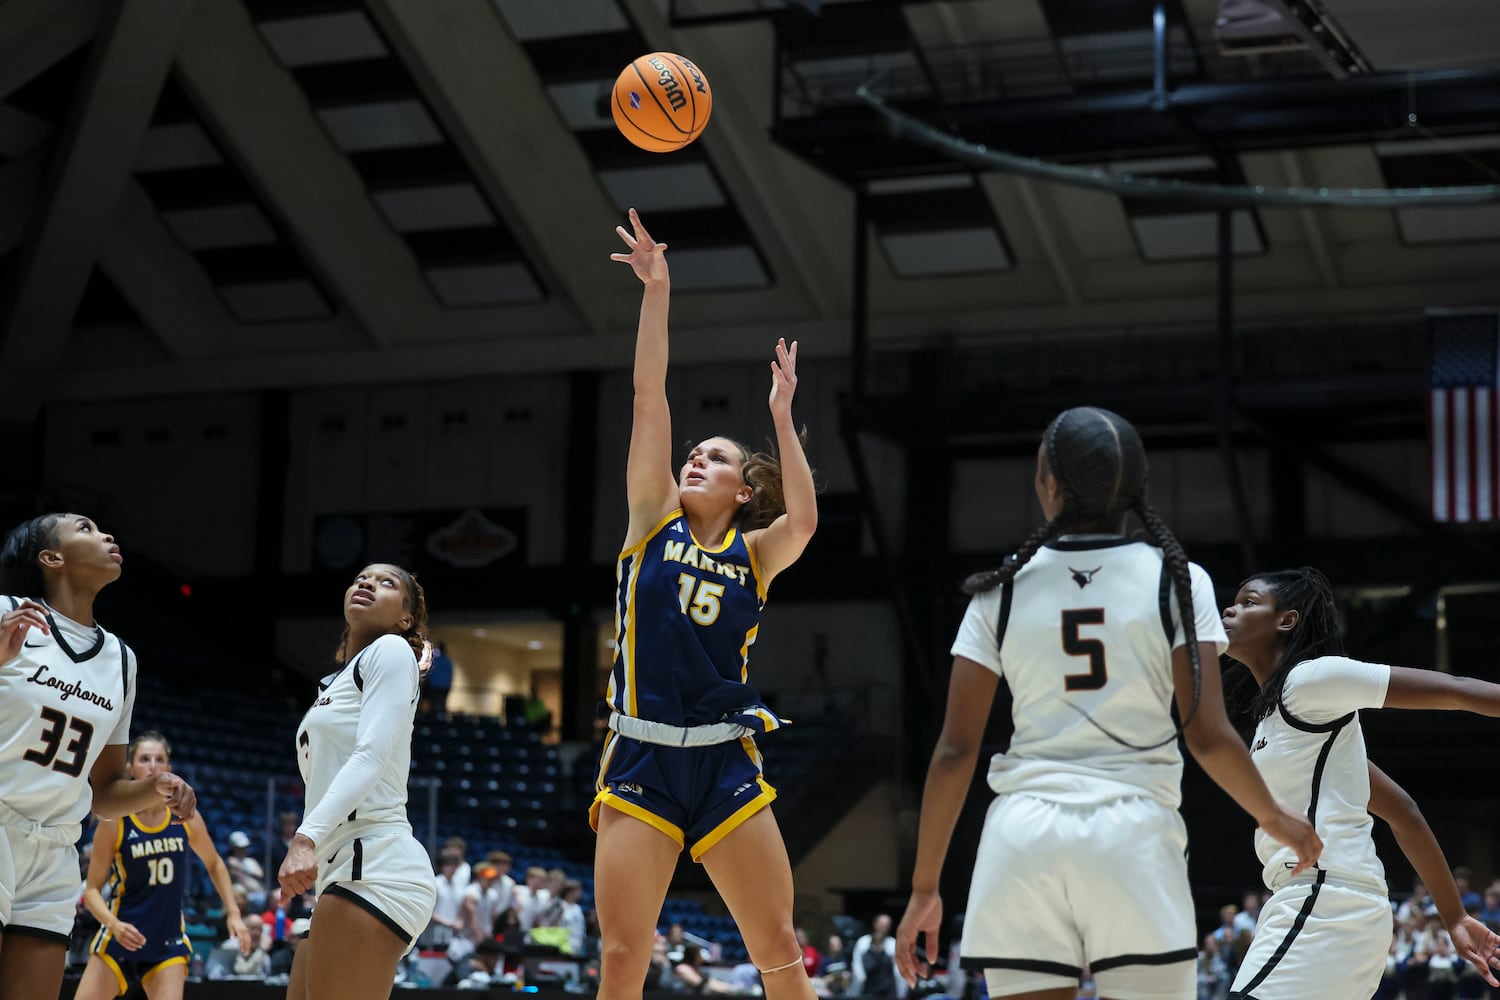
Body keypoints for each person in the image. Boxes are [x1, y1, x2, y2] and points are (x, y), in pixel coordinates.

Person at [891, 408, 1321, 1000]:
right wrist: (1273, 818)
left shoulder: (999, 589)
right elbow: (1207, 735)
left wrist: (923, 888)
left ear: (1046, 484)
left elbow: (956, 750)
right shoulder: (1178, 578)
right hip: (1133, 836)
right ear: (1135, 489)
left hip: (1021, 840)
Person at [590, 209, 819, 1000]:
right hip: (643, 756)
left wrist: (782, 421)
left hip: (724, 757)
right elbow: (648, 395)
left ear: (743, 488)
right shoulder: (650, 519)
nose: (695, 455)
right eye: (696, 451)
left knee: (779, 948)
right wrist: (657, 293)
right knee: (622, 958)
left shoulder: (754, 554)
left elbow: (808, 521)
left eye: (714, 456)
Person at [1220, 566, 1500, 999]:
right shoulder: (1283, 719)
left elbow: (1453, 690)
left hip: (1325, 901)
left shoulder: (1309, 680)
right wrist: (1455, 918)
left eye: (1248, 602)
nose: (1230, 609)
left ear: (1286, 620)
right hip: (1332, 905)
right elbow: (1402, 810)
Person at [0, 513, 197, 1000]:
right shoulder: (5, 612)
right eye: (85, 528)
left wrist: (156, 787)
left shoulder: (122, 661)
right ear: (52, 558)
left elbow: (104, 795)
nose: (108, 534)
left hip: (55, 853)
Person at [279, 563, 439, 1000]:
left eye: (387, 583)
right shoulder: (332, 685)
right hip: (342, 869)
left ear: (405, 619)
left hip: (375, 864)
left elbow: (371, 757)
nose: (367, 583)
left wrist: (305, 838)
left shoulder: (390, 649)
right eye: (361, 578)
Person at [76, 732, 252, 1000]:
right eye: (145, 759)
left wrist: (233, 913)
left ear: (169, 769)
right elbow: (91, 892)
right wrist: (113, 925)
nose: (153, 766)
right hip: (120, 936)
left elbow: (215, 863)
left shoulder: (185, 817)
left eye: (160, 760)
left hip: (167, 942)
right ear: (130, 768)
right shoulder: (115, 820)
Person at [851, 915, 903, 998]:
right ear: (875, 924)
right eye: (882, 924)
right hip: (867, 991)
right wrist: (856, 991)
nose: (884, 927)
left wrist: (901, 994)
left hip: (888, 992)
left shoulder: (893, 944)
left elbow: (898, 972)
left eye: (887, 924)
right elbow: (857, 968)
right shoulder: (863, 942)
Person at [420, 642, 453, 716]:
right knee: (442, 705)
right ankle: (440, 720)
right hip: (444, 687)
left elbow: (429, 673)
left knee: (433, 705)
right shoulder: (448, 661)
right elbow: (450, 675)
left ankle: (432, 721)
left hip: (434, 686)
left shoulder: (435, 660)